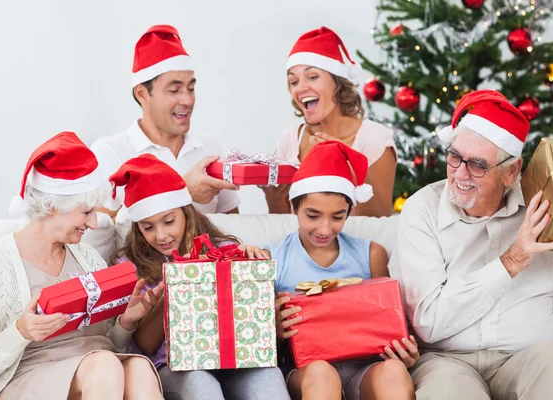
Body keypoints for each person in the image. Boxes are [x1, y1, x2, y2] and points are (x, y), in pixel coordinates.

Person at [390, 90, 553, 399]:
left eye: (477, 165)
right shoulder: (422, 209)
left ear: (512, 172)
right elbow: (428, 321)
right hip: (446, 361)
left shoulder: (545, 207)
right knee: (448, 392)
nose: (460, 174)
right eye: (454, 157)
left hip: (528, 356)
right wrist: (510, 263)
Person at [0, 132, 163, 400]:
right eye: (86, 212)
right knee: (104, 365)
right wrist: (20, 332)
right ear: (52, 206)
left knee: (139, 368)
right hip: (30, 374)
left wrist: (126, 321)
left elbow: (111, 343)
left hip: (98, 366)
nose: (93, 223)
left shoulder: (88, 257)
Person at [108, 154, 291, 400]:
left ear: (186, 212)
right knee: (201, 384)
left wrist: (251, 264)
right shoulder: (132, 267)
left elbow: (257, 324)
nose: (161, 235)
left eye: (169, 221)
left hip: (238, 359)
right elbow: (146, 346)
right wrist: (178, 283)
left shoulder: (223, 249)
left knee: (268, 378)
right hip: (178, 367)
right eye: (148, 227)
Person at [245, 141, 417, 400]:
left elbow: (388, 323)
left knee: (393, 371)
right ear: (293, 207)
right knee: (321, 374)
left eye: (337, 217)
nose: (324, 229)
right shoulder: (271, 258)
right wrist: (274, 328)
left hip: (365, 369)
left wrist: (405, 349)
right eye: (312, 216)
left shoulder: (371, 254)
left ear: (350, 212)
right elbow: (253, 340)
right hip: (306, 373)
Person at [91, 24, 240, 220]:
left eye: (191, 88)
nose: (187, 100)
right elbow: (98, 231)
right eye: (174, 90)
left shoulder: (209, 149)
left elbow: (231, 231)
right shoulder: (110, 153)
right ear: (142, 94)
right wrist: (182, 191)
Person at [263, 26, 397, 218]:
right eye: (294, 82)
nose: (300, 88)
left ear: (337, 82)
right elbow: (283, 225)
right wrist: (274, 202)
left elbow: (380, 220)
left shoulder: (375, 138)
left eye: (312, 77)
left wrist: (349, 167)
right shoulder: (289, 140)